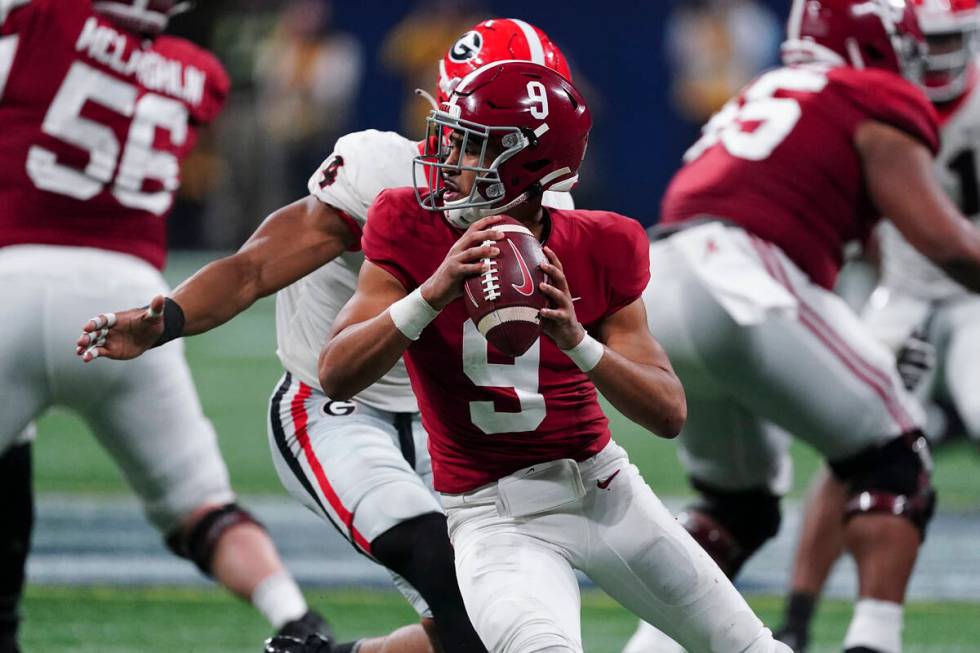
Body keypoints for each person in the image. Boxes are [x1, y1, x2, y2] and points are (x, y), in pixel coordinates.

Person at [76, 18, 574, 653]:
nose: (466, 151)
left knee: (499, 615)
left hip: (446, 424)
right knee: (443, 566)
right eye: (468, 124)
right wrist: (167, 319)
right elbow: (254, 266)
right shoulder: (382, 175)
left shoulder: (551, 212)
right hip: (334, 409)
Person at [317, 60, 790, 653]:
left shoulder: (602, 242)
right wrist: (431, 293)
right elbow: (335, 373)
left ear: (526, 165)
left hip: (604, 490)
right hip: (494, 515)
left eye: (470, 146)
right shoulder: (406, 223)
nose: (450, 158)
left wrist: (578, 341)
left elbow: (668, 413)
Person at [630, 1, 980, 653]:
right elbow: (948, 244)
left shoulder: (769, 88)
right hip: (740, 277)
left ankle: (648, 648)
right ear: (871, 41)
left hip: (662, 279)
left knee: (738, 506)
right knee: (897, 451)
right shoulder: (868, 93)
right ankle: (875, 641)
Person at [0, 1, 332, 651]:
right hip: (131, 300)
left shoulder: (44, 17)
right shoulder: (197, 72)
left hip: (14, 277)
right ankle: (295, 618)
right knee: (202, 504)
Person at [772, 1, 980, 650]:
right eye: (931, 43)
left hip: (975, 295)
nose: (944, 60)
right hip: (904, 291)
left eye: (958, 43)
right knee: (850, 443)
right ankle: (798, 616)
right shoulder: (877, 95)